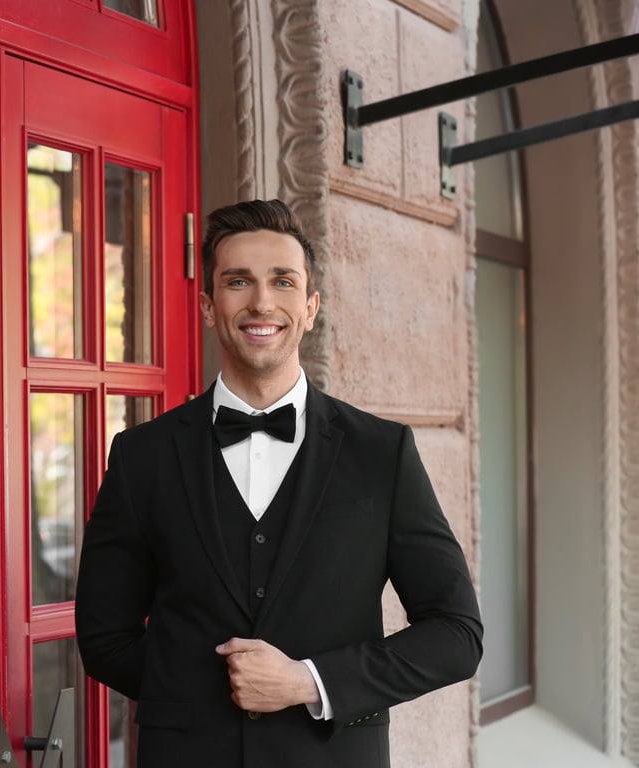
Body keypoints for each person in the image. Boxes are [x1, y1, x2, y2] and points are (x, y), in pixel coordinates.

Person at [74, 199, 482, 767]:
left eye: (283, 282)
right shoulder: (143, 456)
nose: (261, 302)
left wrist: (308, 682)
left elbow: (456, 634)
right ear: (209, 306)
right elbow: (103, 636)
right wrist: (209, 697)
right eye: (237, 281)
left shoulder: (380, 452)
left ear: (310, 307)